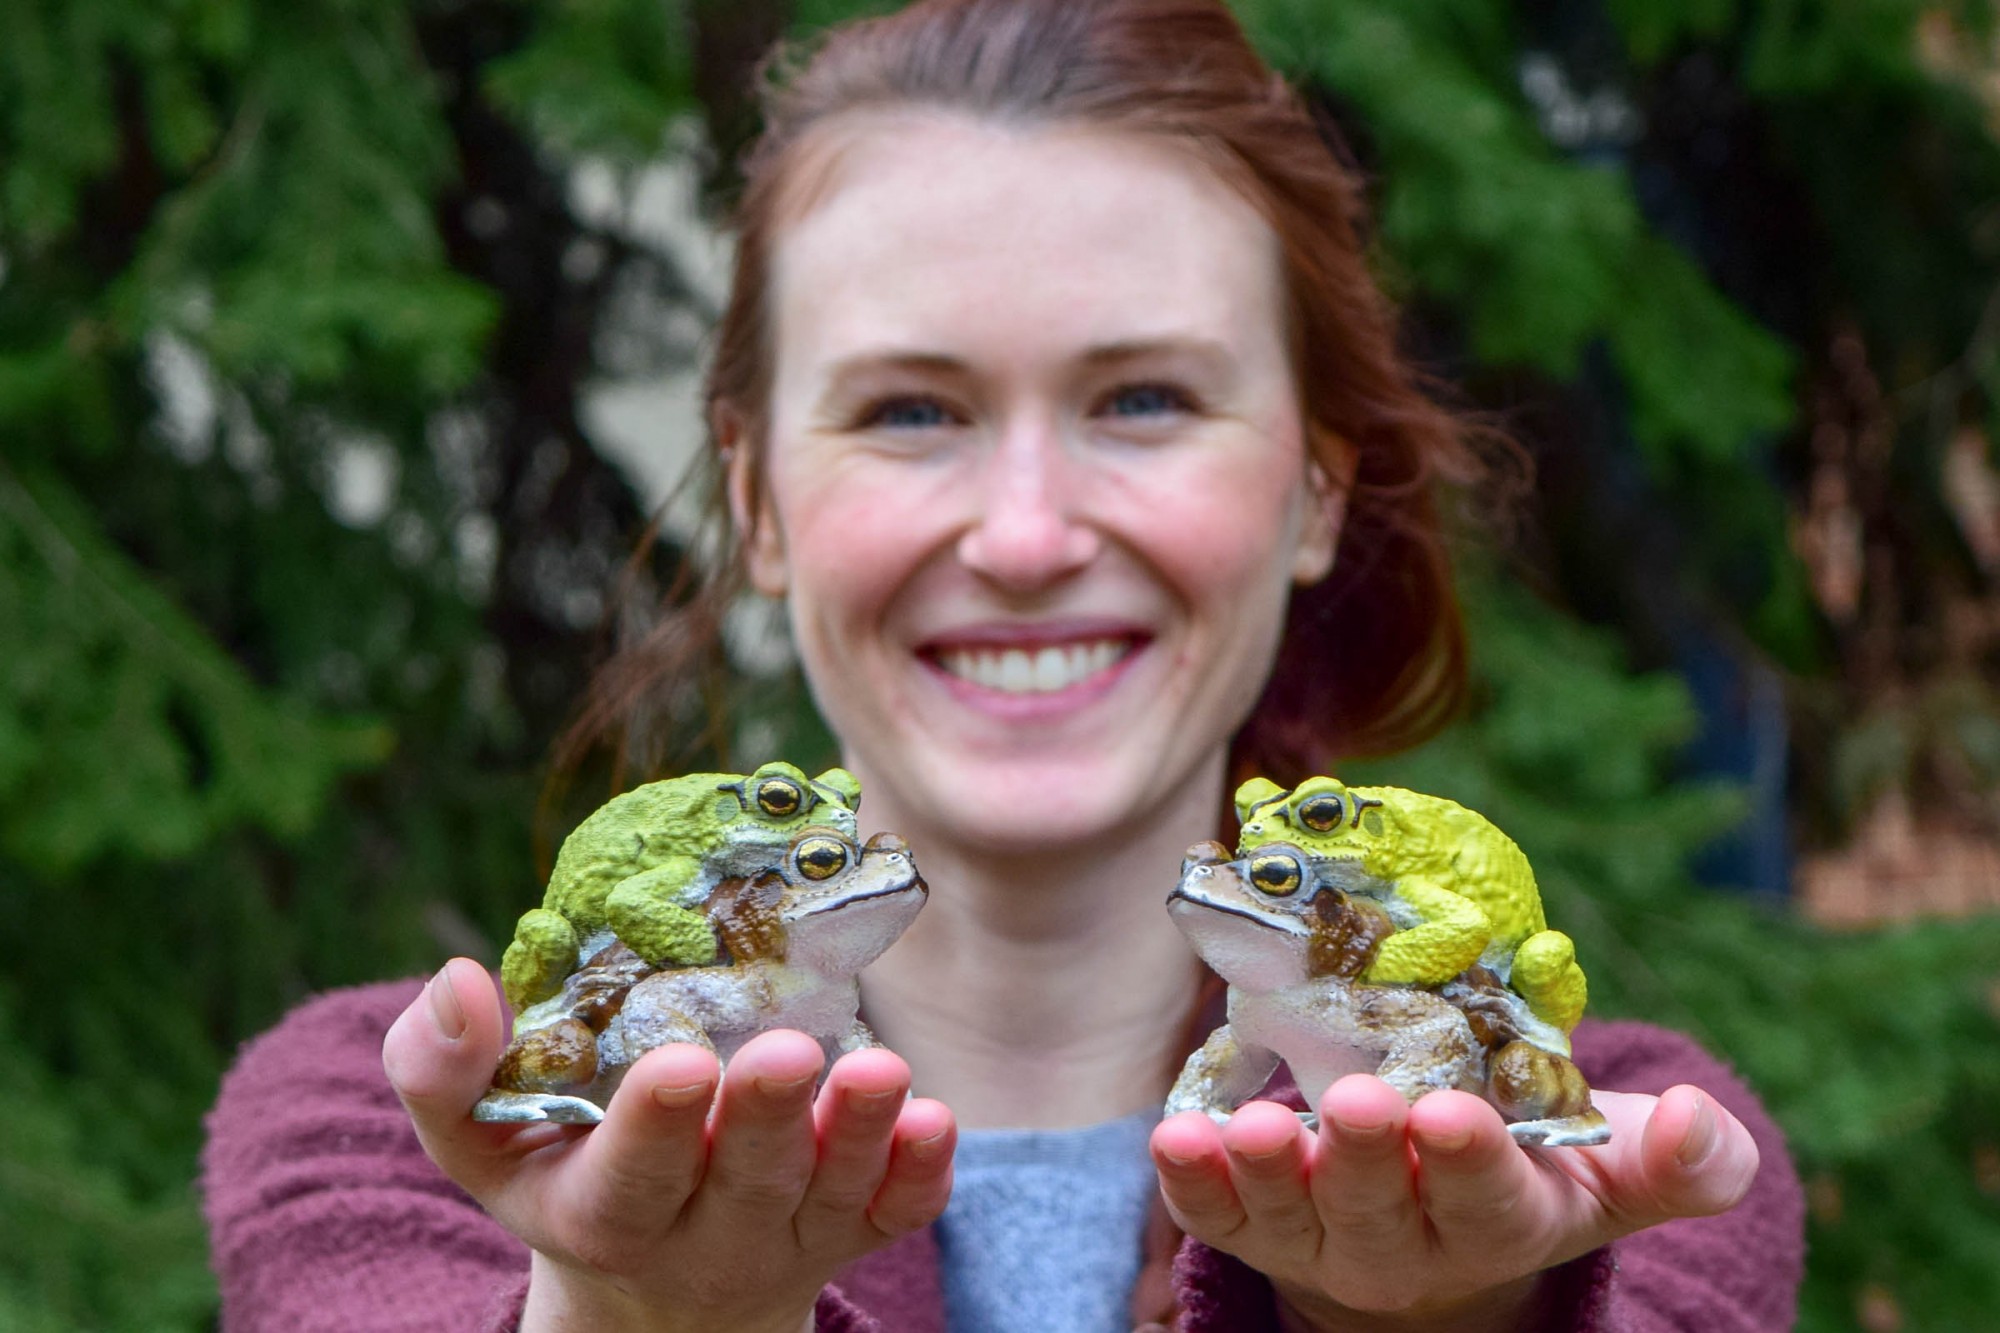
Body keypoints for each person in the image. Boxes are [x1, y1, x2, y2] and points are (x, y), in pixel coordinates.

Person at [201, 0, 1806, 1329]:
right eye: (912, 411)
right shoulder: (405, 1124)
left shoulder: (1607, 1163)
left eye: (1144, 401)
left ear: (1317, 489)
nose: (1027, 535)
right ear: (758, 502)